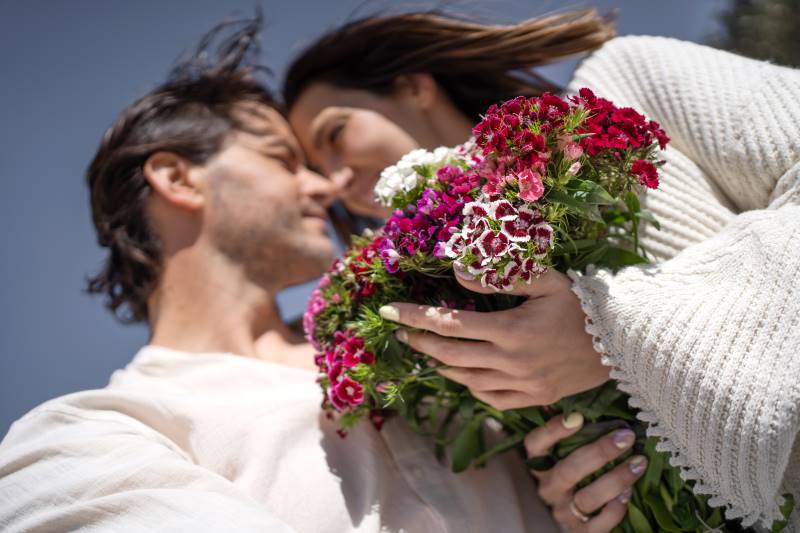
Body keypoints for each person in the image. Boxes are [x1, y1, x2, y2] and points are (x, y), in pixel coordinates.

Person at [0, 16, 641, 533]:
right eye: (284, 159)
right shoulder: (93, 435)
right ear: (176, 178)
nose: (322, 186)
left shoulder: (459, 333)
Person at [284, 9, 800, 532]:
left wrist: (613, 335)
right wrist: (574, 502)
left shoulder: (624, 83)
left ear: (412, 86)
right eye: (316, 170)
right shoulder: (433, 297)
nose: (334, 182)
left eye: (335, 135)